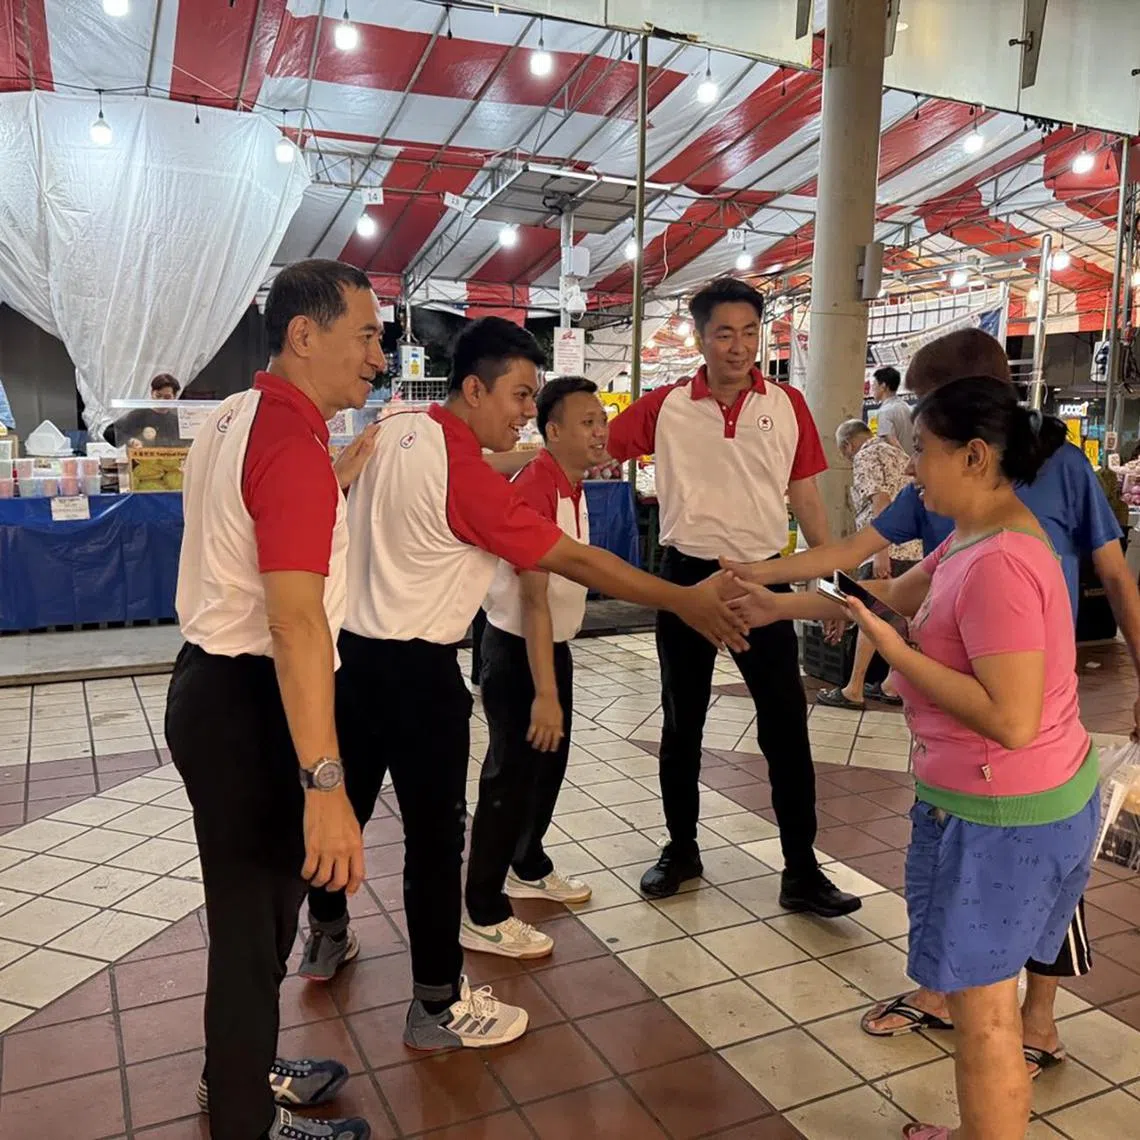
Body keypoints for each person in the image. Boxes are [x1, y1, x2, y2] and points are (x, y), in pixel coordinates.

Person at [300, 317, 747, 1050]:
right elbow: (576, 562)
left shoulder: (397, 423)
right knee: (436, 839)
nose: (523, 413)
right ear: (473, 389)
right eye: (517, 396)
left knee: (338, 811)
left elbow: (469, 467)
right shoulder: (468, 480)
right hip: (419, 677)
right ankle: (438, 1004)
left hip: (349, 662)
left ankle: (326, 931)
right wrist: (684, 598)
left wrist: (528, 458)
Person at [730, 327, 1140, 1079]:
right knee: (987, 977)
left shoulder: (1008, 543)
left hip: (1017, 782)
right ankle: (973, 1007)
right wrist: (769, 589)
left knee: (998, 1009)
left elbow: (1101, 598)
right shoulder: (968, 526)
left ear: (972, 435)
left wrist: (897, 651)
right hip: (1006, 774)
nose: (910, 464)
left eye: (921, 431)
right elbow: (869, 580)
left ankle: (1035, 1024)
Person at [165, 260, 386, 1140]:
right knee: (253, 934)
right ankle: (246, 1120)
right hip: (254, 703)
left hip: (211, 685)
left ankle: (243, 1075)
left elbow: (251, 534)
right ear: (305, 334)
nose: (379, 355)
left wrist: (333, 474)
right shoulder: (288, 444)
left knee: (256, 919)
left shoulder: (237, 416)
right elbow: (297, 628)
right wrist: (326, 788)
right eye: (365, 334)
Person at [604, 276, 860, 917]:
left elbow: (805, 496)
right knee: (680, 721)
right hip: (686, 577)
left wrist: (822, 583)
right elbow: (593, 447)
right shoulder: (663, 406)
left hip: (762, 580)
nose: (739, 346)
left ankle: (801, 870)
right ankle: (681, 848)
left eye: (750, 332)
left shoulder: (787, 404)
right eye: (724, 333)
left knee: (785, 727)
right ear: (700, 336)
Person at [462, 376, 607, 958]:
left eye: (602, 421)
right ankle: (483, 910)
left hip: (553, 648)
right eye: (588, 423)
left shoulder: (569, 481)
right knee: (509, 778)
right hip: (519, 652)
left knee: (547, 770)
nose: (601, 432)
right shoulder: (538, 486)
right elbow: (533, 598)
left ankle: (528, 863)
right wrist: (544, 691)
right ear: (553, 432)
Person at [816, 419, 922, 710]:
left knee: (868, 615)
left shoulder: (865, 456)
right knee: (904, 619)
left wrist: (880, 552)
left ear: (848, 445)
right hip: (915, 550)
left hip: (886, 548)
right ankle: (891, 684)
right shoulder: (896, 453)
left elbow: (880, 500)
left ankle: (854, 688)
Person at [873, 365, 913, 454]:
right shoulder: (907, 407)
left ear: (883, 386)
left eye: (874, 385)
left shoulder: (884, 412)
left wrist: (905, 461)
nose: (873, 389)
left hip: (900, 464)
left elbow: (892, 443)